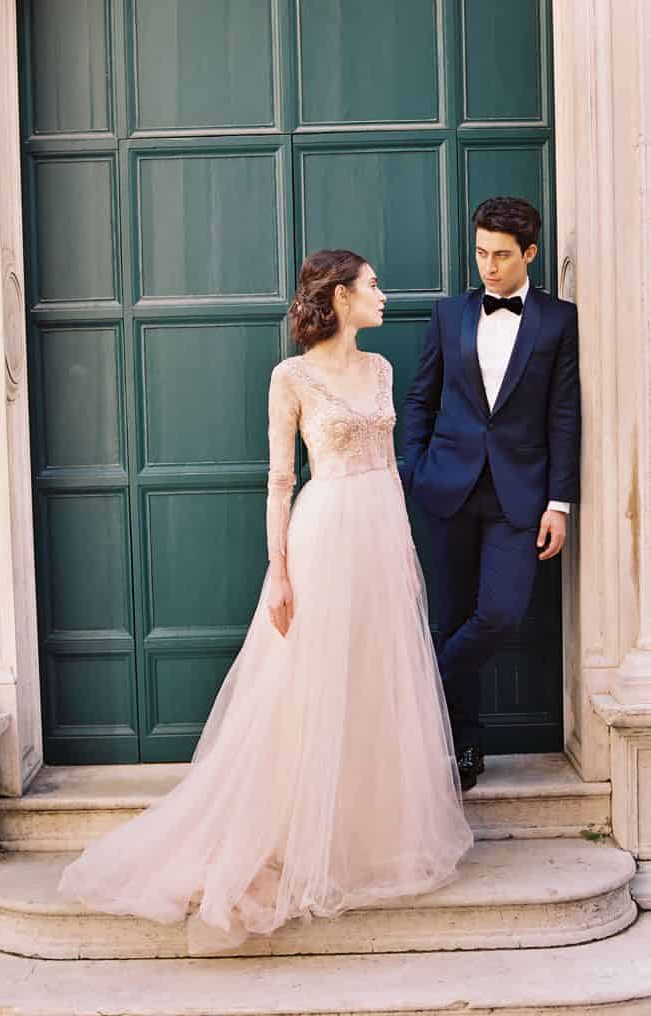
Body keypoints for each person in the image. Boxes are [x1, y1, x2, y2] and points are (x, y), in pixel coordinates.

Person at [56, 249, 474, 956]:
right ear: (340, 297)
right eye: (372, 285)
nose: (382, 294)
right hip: (325, 534)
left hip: (383, 532)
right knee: (302, 688)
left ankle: (358, 834)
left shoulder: (381, 370)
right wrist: (278, 572)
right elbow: (281, 480)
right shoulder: (292, 378)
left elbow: (389, 460)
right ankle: (279, 836)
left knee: (376, 681)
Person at [401, 197, 581, 792]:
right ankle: (465, 749)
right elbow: (421, 398)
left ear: (529, 253)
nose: (489, 268)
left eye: (502, 256)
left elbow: (564, 415)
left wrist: (560, 502)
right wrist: (415, 469)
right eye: (481, 254)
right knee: (449, 615)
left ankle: (416, 688)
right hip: (445, 488)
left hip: (520, 497)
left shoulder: (559, 321)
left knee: (498, 613)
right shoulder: (448, 313)